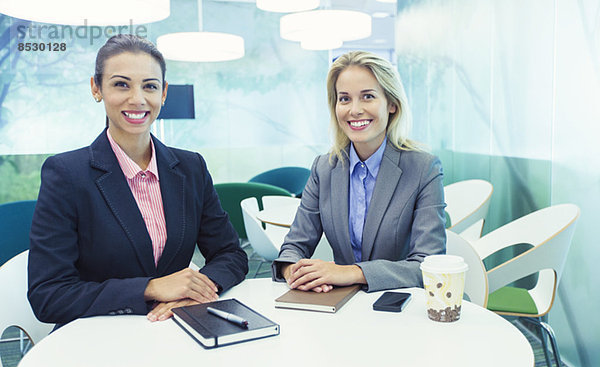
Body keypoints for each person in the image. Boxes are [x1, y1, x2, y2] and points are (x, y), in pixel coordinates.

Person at [28, 34, 247, 328]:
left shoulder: (190, 167)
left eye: (150, 86)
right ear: (96, 88)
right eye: (121, 84)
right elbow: (48, 295)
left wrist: (197, 288)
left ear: (164, 93)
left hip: (177, 330)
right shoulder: (66, 174)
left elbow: (230, 254)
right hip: (98, 339)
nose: (138, 99)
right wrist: (150, 288)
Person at [271, 51, 446, 293]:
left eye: (368, 97)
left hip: (401, 307)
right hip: (341, 306)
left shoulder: (423, 168)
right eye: (344, 99)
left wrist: (350, 272)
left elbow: (427, 264)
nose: (354, 110)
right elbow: (293, 247)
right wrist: (297, 273)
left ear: (392, 104)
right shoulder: (324, 168)